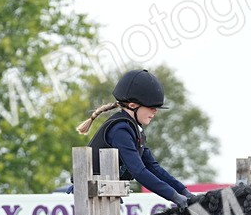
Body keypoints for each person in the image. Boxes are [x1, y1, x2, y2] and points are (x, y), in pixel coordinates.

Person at [74, 68, 191, 207]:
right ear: (133, 106)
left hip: (102, 196)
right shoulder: (120, 130)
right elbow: (139, 171)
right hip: (88, 198)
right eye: (151, 107)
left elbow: (152, 167)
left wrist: (184, 192)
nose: (155, 111)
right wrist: (175, 198)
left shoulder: (134, 130)